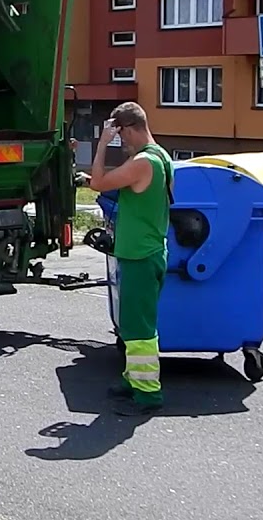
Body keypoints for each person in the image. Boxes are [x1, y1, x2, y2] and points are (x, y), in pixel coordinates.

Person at [85, 102, 173, 416]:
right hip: (149, 251)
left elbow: (98, 182)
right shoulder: (161, 156)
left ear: (127, 128)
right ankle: (132, 379)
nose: (120, 140)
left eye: (120, 134)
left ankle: (148, 394)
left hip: (139, 255)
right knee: (134, 324)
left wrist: (102, 145)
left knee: (139, 330)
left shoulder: (143, 163)